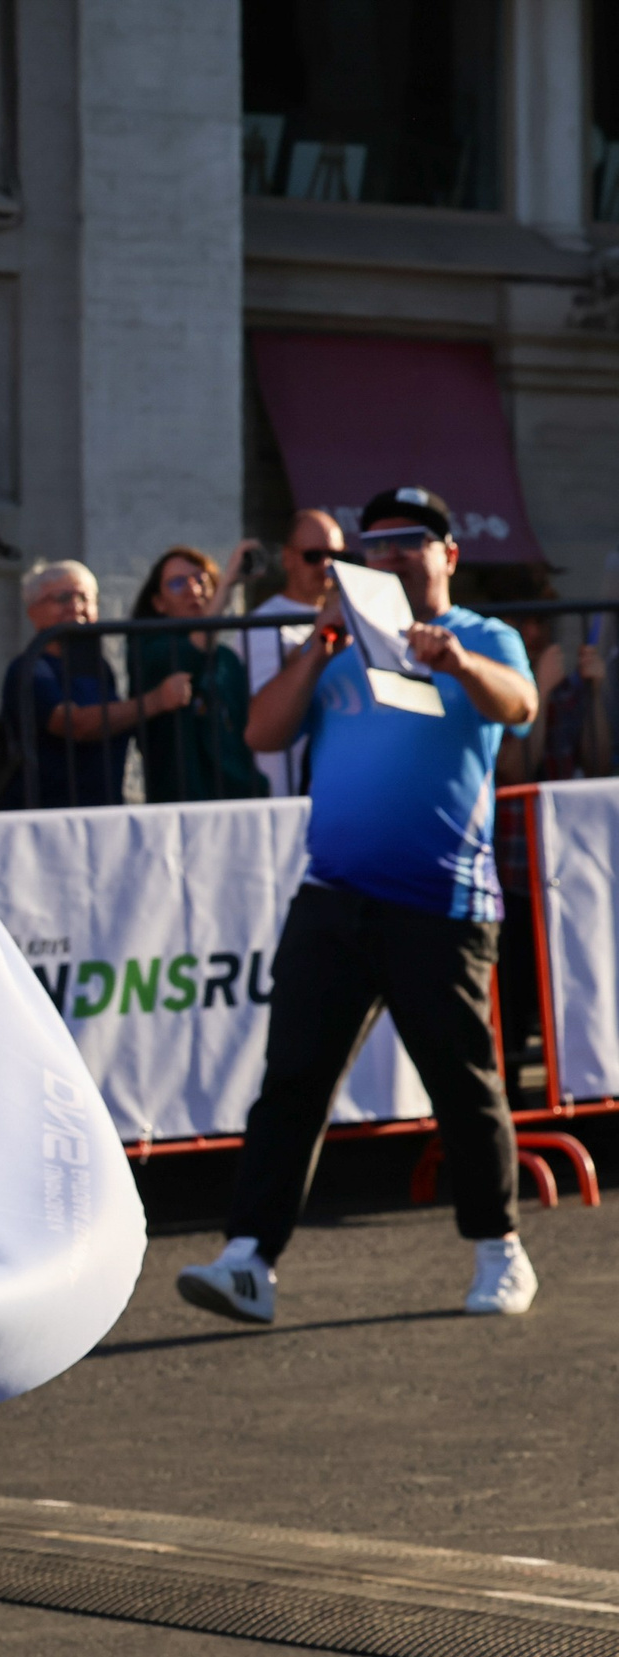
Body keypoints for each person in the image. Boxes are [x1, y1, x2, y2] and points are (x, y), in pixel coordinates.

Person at [179, 486, 542, 1324]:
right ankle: (249, 1260)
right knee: (293, 1080)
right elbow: (262, 735)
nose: (390, 555)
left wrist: (455, 663)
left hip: (441, 904)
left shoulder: (489, 638)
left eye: (412, 540)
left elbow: (519, 708)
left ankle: (501, 1248)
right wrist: (315, 650)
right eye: (375, 544)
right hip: (333, 897)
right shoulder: (336, 646)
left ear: (449, 554)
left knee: (463, 1083)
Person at [491, 562, 612, 1078]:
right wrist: (534, 697)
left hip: (569, 866)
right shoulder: (497, 680)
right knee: (514, 1001)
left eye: (543, 623)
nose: (536, 634)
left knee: (573, 997)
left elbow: (600, 761)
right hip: (514, 868)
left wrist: (594, 693)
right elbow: (515, 771)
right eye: (525, 624)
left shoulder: (567, 682)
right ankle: (516, 1103)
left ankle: (579, 1096)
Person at [3, 559, 189, 808]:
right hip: (50, 818)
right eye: (62, 598)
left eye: (85, 597)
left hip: (103, 813)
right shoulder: (30, 668)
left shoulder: (99, 667)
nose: (76, 606)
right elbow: (73, 724)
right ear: (33, 611)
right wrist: (157, 701)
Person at [127, 547, 266, 803]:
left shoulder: (227, 658)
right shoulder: (149, 648)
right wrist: (229, 582)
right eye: (178, 583)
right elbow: (196, 647)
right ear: (158, 602)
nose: (194, 590)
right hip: (182, 803)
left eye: (202, 581)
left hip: (239, 797)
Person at [235, 510, 344, 796]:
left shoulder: (348, 616)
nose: (326, 565)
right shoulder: (261, 625)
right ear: (288, 559)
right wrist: (321, 636)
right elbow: (262, 708)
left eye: (337, 557)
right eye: (313, 556)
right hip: (284, 789)